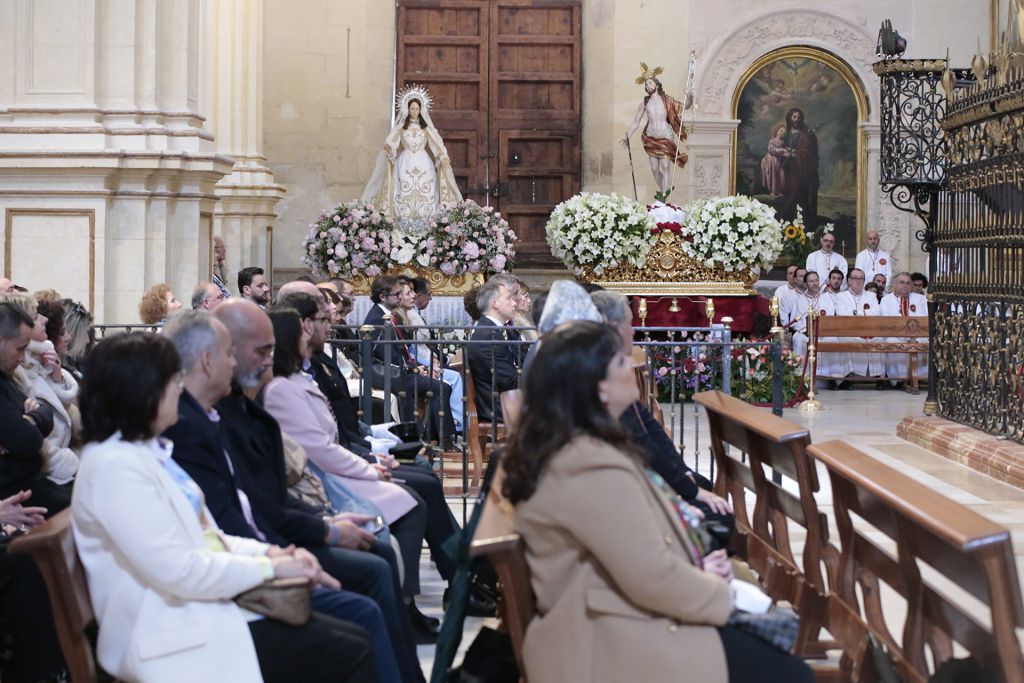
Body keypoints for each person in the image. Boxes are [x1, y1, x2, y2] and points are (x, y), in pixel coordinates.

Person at [501, 321, 813, 683]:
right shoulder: (587, 465)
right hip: (607, 640)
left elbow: (633, 548)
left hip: (614, 614)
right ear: (598, 387)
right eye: (620, 361)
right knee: (788, 673)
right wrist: (715, 589)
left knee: (775, 656)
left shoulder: (580, 446)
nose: (633, 364)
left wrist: (697, 567)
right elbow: (651, 579)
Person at [72, 332, 377, 682]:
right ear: (143, 390)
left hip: (190, 611)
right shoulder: (115, 468)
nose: (179, 389)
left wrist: (275, 555)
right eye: (173, 380)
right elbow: (179, 570)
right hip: (164, 635)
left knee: (352, 637)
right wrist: (271, 569)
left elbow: (208, 535)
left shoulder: (140, 453)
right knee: (349, 651)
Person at [160, 311, 404, 683]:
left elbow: (245, 508)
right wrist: (283, 558)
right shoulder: (186, 429)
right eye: (258, 350)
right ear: (210, 360)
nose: (271, 359)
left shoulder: (217, 414)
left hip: (259, 549)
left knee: (372, 571)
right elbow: (223, 529)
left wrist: (301, 543)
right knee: (360, 614)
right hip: (225, 590)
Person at [211, 299, 430, 676]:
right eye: (261, 351)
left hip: (284, 527)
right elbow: (250, 511)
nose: (267, 359)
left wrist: (325, 523)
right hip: (264, 551)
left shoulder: (241, 410)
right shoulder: (215, 422)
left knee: (392, 531)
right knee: (373, 573)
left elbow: (270, 498)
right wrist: (323, 530)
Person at [590, 290, 734, 534]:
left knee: (706, 492)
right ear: (612, 327)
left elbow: (650, 428)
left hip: (636, 476)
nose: (634, 330)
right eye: (628, 323)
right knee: (717, 517)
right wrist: (678, 495)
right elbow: (638, 441)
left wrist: (683, 473)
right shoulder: (603, 372)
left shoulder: (609, 365)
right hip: (622, 486)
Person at [363, 276, 456, 445]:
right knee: (441, 388)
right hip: (389, 375)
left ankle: (432, 438)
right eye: (397, 294)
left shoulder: (387, 315)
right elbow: (386, 355)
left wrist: (418, 367)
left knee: (441, 386)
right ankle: (440, 439)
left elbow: (401, 351)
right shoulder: (378, 318)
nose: (400, 297)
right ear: (383, 297)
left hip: (399, 371)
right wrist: (415, 370)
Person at [0, 301, 71, 513]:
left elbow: (44, 412)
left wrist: (31, 419)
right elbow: (28, 441)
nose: (22, 358)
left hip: (32, 481)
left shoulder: (6, 376)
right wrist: (29, 421)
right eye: (20, 349)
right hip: (13, 493)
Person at [361, 87, 462, 231]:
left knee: (426, 190)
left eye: (417, 109)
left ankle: (426, 224)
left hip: (423, 162)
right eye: (412, 109)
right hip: (405, 162)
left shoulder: (426, 129)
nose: (414, 111)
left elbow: (436, 144)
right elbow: (392, 141)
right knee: (403, 189)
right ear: (407, 110)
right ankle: (403, 224)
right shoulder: (402, 128)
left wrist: (442, 156)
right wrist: (389, 147)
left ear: (421, 110)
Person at [22, 297, 80, 484]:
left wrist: (57, 377)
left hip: (58, 464)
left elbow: (62, 410)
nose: (43, 320)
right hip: (44, 471)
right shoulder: (20, 371)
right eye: (35, 316)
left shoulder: (41, 365)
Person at [623, 70, 689, 194]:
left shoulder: (667, 100)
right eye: (646, 85)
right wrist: (628, 136)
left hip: (665, 136)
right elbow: (636, 121)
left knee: (665, 167)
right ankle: (664, 191)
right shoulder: (644, 104)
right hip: (651, 137)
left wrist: (689, 96)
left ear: (657, 85)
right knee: (654, 169)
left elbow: (686, 106)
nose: (648, 86)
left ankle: (664, 197)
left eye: (650, 83)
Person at [468, 278, 523, 423]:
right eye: (509, 298)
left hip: (512, 398)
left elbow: (521, 361)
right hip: (500, 407)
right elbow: (508, 380)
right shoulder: (486, 336)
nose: (514, 302)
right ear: (495, 303)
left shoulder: (500, 330)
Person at [879, 272, 928, 388]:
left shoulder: (920, 299)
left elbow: (925, 318)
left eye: (908, 283)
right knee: (892, 342)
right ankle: (897, 380)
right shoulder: (886, 300)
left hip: (917, 334)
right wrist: (903, 335)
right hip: (894, 334)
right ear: (894, 285)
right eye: (901, 282)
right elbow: (886, 321)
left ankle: (919, 378)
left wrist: (913, 335)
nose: (905, 286)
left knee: (924, 342)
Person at [835, 268, 883, 385]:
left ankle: (878, 377)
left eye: (861, 279)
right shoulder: (841, 296)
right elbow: (842, 315)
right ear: (849, 281)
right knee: (847, 340)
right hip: (849, 331)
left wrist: (856, 313)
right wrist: (864, 313)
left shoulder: (871, 295)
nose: (859, 281)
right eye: (855, 278)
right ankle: (850, 376)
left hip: (869, 330)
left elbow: (876, 312)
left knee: (881, 340)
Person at [779, 107, 819, 231]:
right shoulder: (785, 134)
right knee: (789, 200)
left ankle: (806, 228)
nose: (796, 119)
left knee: (803, 200)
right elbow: (777, 148)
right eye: (794, 117)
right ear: (789, 118)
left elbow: (811, 152)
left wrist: (797, 154)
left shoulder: (807, 135)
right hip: (789, 172)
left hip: (803, 174)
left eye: (798, 117)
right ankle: (788, 225)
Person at [819, 269, 850, 388]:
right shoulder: (822, 297)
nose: (836, 281)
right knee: (831, 341)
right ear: (829, 280)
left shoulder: (845, 296)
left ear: (842, 281)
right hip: (828, 332)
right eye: (834, 278)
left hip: (844, 331)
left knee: (847, 342)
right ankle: (832, 379)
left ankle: (845, 379)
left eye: (839, 279)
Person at [761, 124, 788, 195]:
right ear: (776, 131)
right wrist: (781, 150)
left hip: (779, 160)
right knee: (773, 175)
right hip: (772, 160)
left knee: (780, 175)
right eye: (781, 131)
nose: (782, 133)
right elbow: (771, 149)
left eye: (784, 133)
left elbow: (785, 149)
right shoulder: (772, 141)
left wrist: (787, 150)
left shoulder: (783, 142)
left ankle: (777, 190)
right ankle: (773, 191)